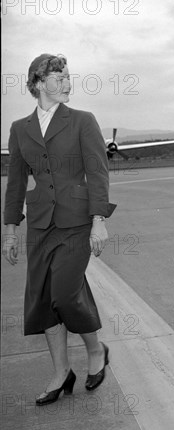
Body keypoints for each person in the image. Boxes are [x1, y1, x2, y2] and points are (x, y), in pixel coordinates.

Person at [2, 54, 116, 405]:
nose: (68, 83)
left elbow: (98, 172)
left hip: (77, 221)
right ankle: (60, 372)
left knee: (64, 294)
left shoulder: (82, 121)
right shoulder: (20, 129)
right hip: (40, 224)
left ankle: (96, 351)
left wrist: (99, 221)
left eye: (68, 77)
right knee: (41, 301)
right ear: (38, 83)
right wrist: (9, 230)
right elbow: (17, 182)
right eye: (59, 78)